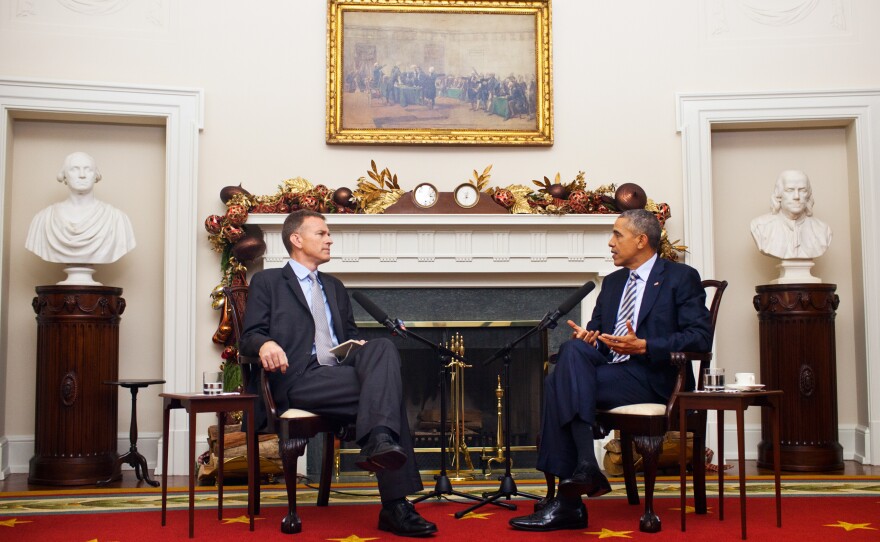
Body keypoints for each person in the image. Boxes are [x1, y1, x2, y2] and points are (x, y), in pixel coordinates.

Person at [509, 209, 712, 532]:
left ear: (642, 240)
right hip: (612, 373)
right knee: (574, 349)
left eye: (618, 235)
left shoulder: (679, 277)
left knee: (555, 383)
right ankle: (584, 470)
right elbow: (601, 339)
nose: (610, 242)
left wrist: (644, 345)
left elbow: (700, 338)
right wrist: (592, 340)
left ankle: (569, 501)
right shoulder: (614, 282)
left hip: (654, 377)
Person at [239, 210, 436, 537]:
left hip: (339, 375)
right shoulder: (268, 282)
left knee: (382, 348)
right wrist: (266, 344)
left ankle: (380, 442)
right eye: (321, 233)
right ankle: (395, 504)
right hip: (299, 378)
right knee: (387, 393)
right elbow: (249, 335)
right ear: (297, 239)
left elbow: (348, 334)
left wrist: (354, 345)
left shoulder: (334, 286)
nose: (329, 239)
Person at [25, 151, 136, 264]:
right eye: (74, 169)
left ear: (96, 175)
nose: (82, 175)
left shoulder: (117, 219)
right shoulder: (43, 219)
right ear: (64, 175)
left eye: (88, 169)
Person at [749, 170, 832, 259]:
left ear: (808, 195)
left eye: (802, 190)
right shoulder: (760, 226)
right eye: (790, 190)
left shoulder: (823, 230)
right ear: (779, 194)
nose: (796, 196)